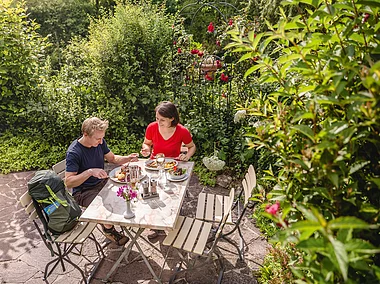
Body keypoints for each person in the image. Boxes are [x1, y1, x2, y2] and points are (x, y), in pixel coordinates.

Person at [65, 117, 139, 246]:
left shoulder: (99, 142)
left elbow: (113, 158)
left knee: (130, 192)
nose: (100, 142)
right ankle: (108, 229)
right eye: (97, 139)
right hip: (84, 192)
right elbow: (69, 182)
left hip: (102, 184)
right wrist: (89, 172)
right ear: (85, 134)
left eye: (101, 138)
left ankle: (117, 221)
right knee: (106, 206)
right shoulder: (74, 153)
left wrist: (128, 158)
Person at [141, 101, 196, 239]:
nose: (158, 122)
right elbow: (147, 143)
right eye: (157, 118)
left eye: (162, 120)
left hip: (173, 167)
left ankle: (171, 220)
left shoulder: (182, 131)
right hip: (155, 165)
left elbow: (192, 147)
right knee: (153, 193)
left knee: (171, 195)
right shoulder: (152, 128)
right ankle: (156, 225)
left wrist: (187, 155)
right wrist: (147, 149)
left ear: (172, 118)